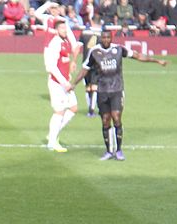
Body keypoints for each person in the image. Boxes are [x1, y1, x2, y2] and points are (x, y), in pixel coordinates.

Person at [71, 29, 167, 161]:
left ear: (111, 38)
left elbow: (138, 56)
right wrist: (74, 84)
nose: (105, 40)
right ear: (101, 39)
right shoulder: (94, 52)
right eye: (103, 38)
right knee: (105, 120)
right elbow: (84, 70)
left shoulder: (119, 49)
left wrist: (156, 61)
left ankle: (119, 150)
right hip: (102, 91)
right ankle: (109, 151)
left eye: (108, 38)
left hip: (117, 89)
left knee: (116, 118)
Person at [44, 19, 79, 152]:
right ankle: (52, 143)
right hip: (57, 84)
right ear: (57, 30)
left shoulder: (65, 42)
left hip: (65, 82)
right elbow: (51, 66)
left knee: (73, 108)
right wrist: (64, 82)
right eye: (63, 29)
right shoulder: (55, 43)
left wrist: (68, 74)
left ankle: (52, 134)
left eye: (66, 28)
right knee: (59, 112)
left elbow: (63, 62)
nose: (65, 30)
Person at [78, 18, 102, 117]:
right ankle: (91, 110)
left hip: (85, 63)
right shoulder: (101, 34)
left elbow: (78, 45)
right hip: (96, 63)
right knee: (95, 87)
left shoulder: (84, 33)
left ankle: (90, 108)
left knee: (88, 87)